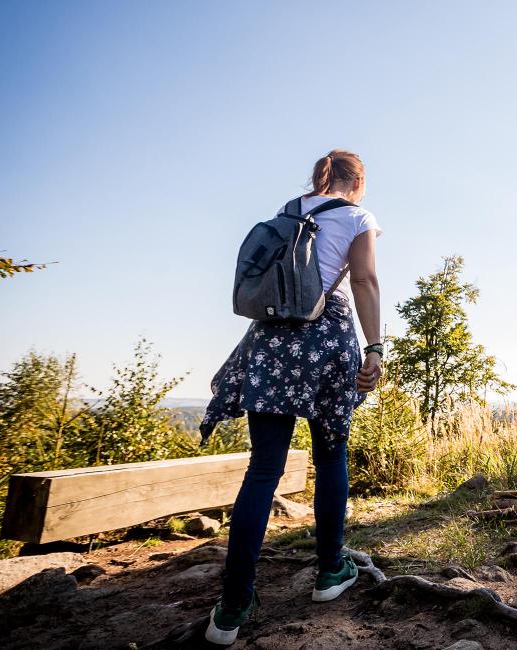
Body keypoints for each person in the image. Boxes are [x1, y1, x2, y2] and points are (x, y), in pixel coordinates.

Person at [197, 149, 384, 645]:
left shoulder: (288, 211)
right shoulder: (356, 216)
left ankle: (232, 606)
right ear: (358, 181)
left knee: (263, 470)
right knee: (331, 456)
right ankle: (330, 571)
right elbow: (362, 279)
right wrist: (375, 347)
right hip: (324, 341)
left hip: (270, 340)